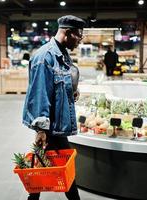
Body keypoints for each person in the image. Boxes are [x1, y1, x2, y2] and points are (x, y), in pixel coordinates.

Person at [22, 15, 86, 200]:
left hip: (56, 122)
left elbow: (59, 82)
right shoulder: (44, 57)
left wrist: (72, 90)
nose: (80, 41)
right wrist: (41, 129)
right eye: (78, 36)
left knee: (45, 163)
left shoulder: (62, 53)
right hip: (50, 125)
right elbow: (40, 94)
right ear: (68, 33)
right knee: (61, 165)